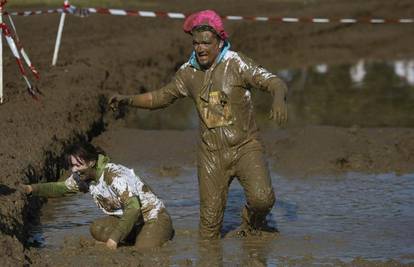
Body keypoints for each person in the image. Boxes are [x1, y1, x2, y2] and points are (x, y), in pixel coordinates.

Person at [109, 10, 288, 239]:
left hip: (245, 147)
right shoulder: (188, 73)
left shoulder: (236, 63)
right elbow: (159, 98)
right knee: (209, 230)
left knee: (262, 199)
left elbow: (275, 82)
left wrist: (279, 98)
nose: (200, 48)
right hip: (211, 155)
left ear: (219, 41)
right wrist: (127, 99)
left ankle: (250, 224)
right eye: (196, 43)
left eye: (206, 42)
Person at [23, 142, 174, 250]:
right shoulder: (84, 177)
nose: (74, 170)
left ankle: (147, 236)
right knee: (97, 228)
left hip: (153, 217)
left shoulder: (114, 175)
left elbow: (134, 208)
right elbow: (61, 188)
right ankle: (133, 236)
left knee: (144, 250)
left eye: (78, 165)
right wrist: (31, 189)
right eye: (72, 165)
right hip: (132, 221)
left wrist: (114, 239)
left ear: (92, 162)